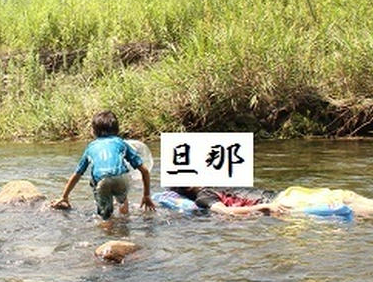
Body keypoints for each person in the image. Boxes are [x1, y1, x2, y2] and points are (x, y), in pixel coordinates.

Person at [50, 110, 156, 219]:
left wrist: (64, 197)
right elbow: (144, 170)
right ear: (117, 130)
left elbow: (77, 174)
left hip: (101, 180)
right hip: (120, 178)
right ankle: (125, 227)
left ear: (94, 131)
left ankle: (107, 232)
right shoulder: (121, 143)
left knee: (105, 218)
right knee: (123, 200)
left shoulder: (91, 147)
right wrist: (146, 195)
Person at [174, 185, 373, 216]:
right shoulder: (203, 197)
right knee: (347, 206)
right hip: (280, 201)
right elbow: (227, 212)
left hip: (287, 193)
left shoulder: (215, 182)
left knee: (346, 196)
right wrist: (267, 206)